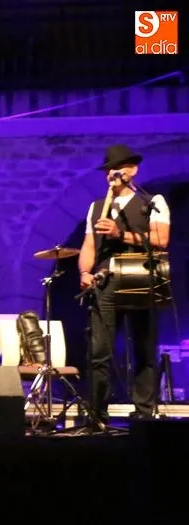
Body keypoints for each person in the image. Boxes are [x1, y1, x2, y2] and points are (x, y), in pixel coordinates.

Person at [78, 144, 170, 425]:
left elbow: (160, 240)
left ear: (131, 171)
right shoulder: (96, 207)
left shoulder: (152, 202)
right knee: (99, 350)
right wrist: (84, 271)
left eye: (117, 169)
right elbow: (90, 244)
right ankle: (97, 413)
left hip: (140, 278)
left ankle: (144, 412)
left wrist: (121, 234)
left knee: (143, 348)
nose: (111, 175)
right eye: (108, 170)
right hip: (106, 281)